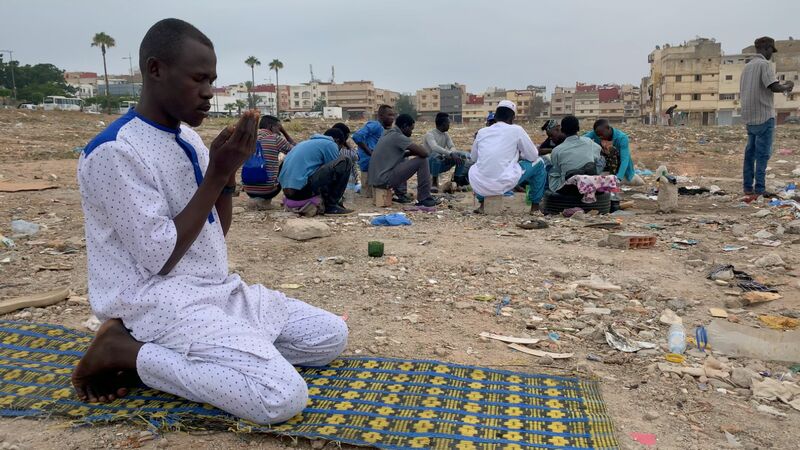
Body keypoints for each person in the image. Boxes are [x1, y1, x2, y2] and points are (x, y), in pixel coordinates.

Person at [72, 19, 347, 425]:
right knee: (280, 397)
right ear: (155, 69)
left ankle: (207, 354)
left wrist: (227, 173)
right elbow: (160, 257)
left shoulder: (189, 139)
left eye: (213, 81)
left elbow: (217, 229)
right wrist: (216, 175)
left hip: (214, 291)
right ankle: (124, 350)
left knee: (328, 338)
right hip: (155, 301)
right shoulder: (116, 151)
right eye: (198, 79)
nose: (208, 93)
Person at [468, 100, 546, 214]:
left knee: (477, 168)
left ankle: (483, 204)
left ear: (495, 116)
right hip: (504, 181)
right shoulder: (517, 130)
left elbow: (473, 158)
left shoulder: (482, 132)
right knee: (539, 163)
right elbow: (533, 155)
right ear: (512, 117)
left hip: (480, 184)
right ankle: (535, 207)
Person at [740, 36, 794, 197]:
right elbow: (773, 86)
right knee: (762, 154)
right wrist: (787, 86)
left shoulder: (747, 67)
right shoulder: (765, 64)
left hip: (749, 117)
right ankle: (760, 189)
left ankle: (748, 187)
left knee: (750, 153)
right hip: (764, 115)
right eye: (772, 50)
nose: (772, 54)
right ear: (767, 48)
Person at [279, 128, 354, 214]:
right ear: (337, 140)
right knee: (345, 161)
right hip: (301, 191)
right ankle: (331, 205)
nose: (338, 150)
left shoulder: (304, 143)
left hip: (288, 192)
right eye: (340, 147)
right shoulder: (330, 144)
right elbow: (335, 173)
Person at [368, 113, 437, 206]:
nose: (411, 132)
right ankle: (424, 198)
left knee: (403, 156)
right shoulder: (398, 136)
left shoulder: (387, 133)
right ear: (404, 126)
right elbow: (424, 153)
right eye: (411, 129)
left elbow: (397, 155)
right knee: (422, 160)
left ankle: (401, 194)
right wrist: (418, 149)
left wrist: (411, 152)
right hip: (384, 180)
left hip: (377, 179)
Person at [240, 115, 295, 205]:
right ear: (271, 127)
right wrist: (285, 134)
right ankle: (292, 196)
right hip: (269, 192)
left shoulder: (249, 138)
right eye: (278, 128)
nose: (279, 131)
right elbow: (297, 152)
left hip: (248, 190)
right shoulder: (275, 138)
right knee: (287, 162)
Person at [548, 115, 604, 193]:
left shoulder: (556, 150)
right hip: (588, 183)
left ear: (562, 130)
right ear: (578, 128)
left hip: (567, 188)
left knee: (552, 171)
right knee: (599, 160)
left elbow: (557, 170)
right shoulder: (589, 142)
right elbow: (599, 153)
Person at [352, 105, 396, 197]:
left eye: (393, 115)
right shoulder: (375, 125)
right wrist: (371, 153)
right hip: (369, 164)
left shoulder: (383, 128)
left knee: (372, 194)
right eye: (389, 115)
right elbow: (357, 136)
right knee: (368, 196)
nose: (392, 118)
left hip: (374, 165)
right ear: (381, 116)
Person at [424, 112, 471, 192]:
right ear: (443, 124)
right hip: (429, 165)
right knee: (436, 155)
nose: (449, 125)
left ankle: (456, 181)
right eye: (448, 123)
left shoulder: (446, 135)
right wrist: (450, 153)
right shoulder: (430, 134)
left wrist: (451, 154)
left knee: (462, 156)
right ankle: (434, 182)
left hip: (441, 163)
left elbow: (452, 146)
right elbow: (434, 147)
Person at [583, 119, 635, 184]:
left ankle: (614, 176)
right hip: (603, 164)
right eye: (598, 135)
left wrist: (618, 178)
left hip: (617, 166)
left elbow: (625, 159)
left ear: (608, 128)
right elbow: (582, 139)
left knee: (612, 149)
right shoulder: (596, 133)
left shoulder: (622, 138)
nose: (600, 137)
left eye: (601, 134)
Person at [331, 122, 359, 187]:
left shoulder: (332, 147)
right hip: (346, 182)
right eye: (346, 136)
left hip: (346, 181)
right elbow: (355, 157)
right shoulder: (343, 150)